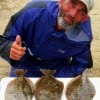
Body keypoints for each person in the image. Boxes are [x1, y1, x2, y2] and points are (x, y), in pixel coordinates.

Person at [0, 0, 94, 77]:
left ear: (84, 18)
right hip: (25, 67)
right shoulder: (32, 11)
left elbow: (81, 65)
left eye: (81, 11)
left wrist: (63, 76)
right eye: (72, 4)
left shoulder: (84, 36)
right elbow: (4, 41)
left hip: (59, 71)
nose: (73, 14)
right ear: (61, 1)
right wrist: (9, 48)